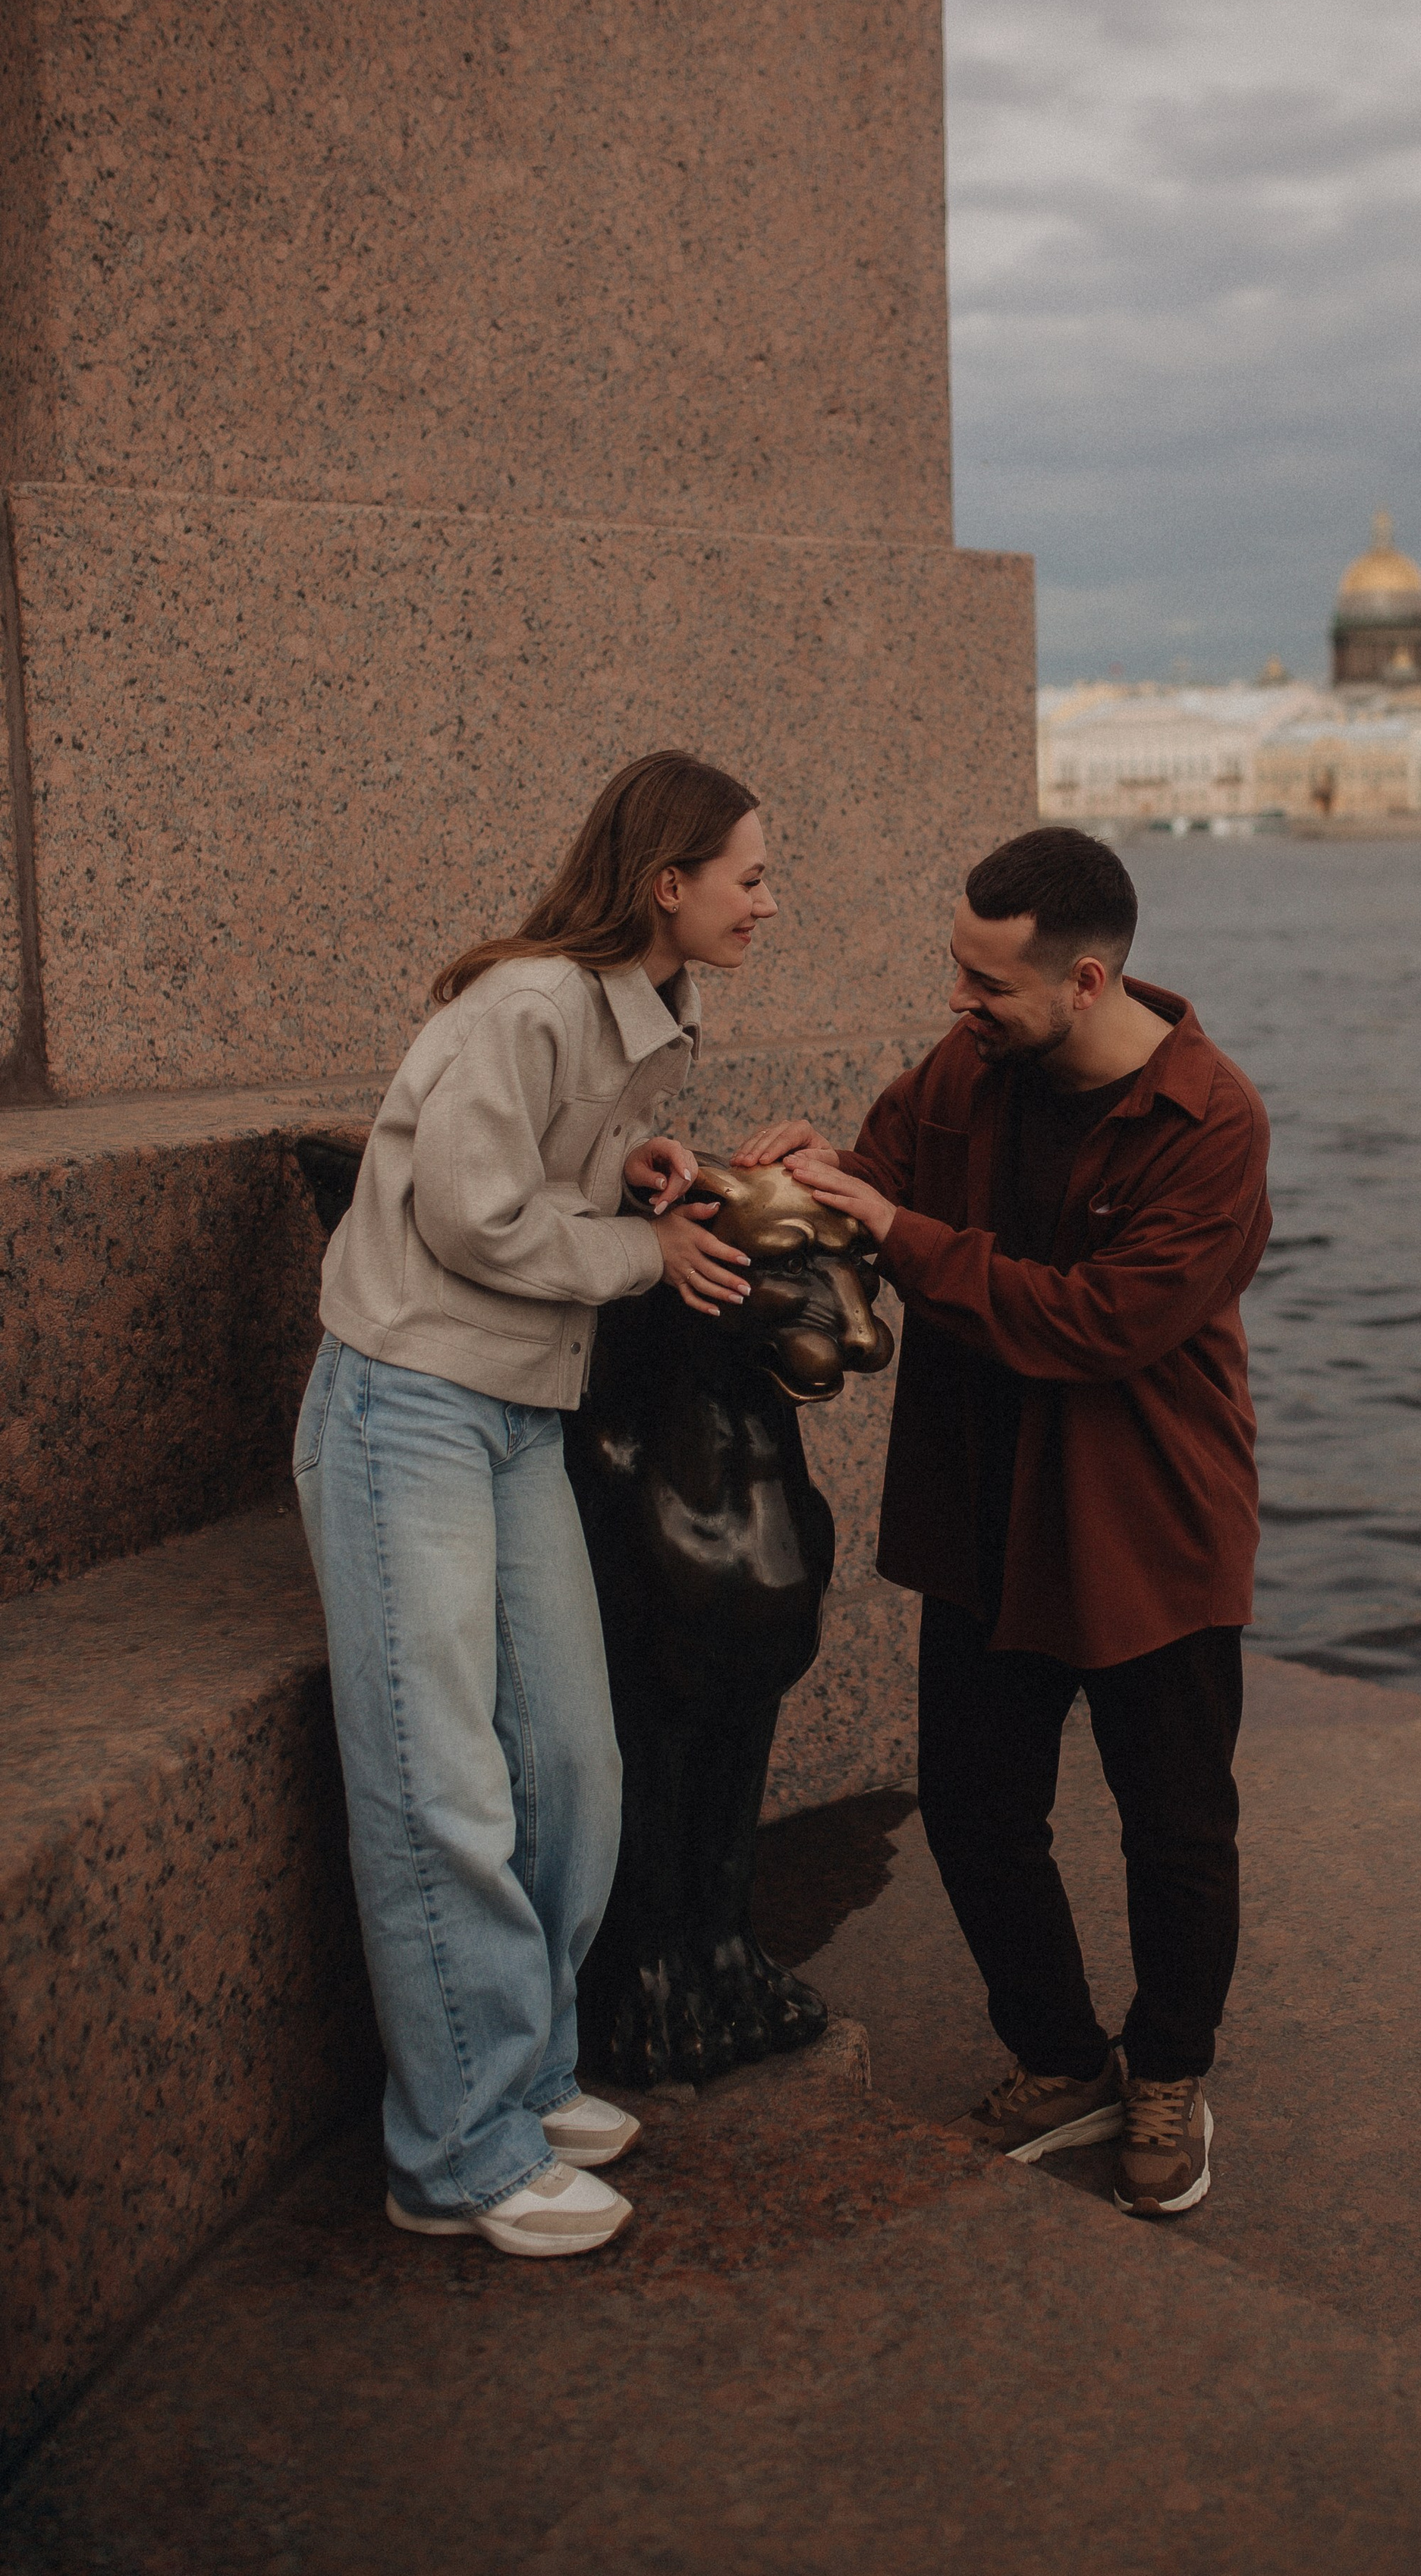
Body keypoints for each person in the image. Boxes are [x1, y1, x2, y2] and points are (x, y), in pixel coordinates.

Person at [752, 825, 1270, 2218]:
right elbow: (876, 1177)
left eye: (988, 983)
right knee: (978, 1811)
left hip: (1145, 1524)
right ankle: (1062, 2059)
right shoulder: (969, 1065)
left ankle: (1168, 2074)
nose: (959, 1003)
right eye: (958, 972)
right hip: (982, 1507)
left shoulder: (1214, 1121)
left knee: (1175, 1828)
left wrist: (899, 1232)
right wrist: (795, 1179)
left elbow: (1099, 1324)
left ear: (1087, 981)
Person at [293, 749, 769, 2260]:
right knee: (442, 1781)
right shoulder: (529, 1003)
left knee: (572, 1762)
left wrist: (622, 1166)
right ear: (667, 884)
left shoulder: (622, 1017)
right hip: (407, 1407)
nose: (768, 901)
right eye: (750, 876)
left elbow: (524, 1167)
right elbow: (471, 1214)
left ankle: (524, 2076)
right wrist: (648, 1254)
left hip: (510, 1410)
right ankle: (454, 2154)